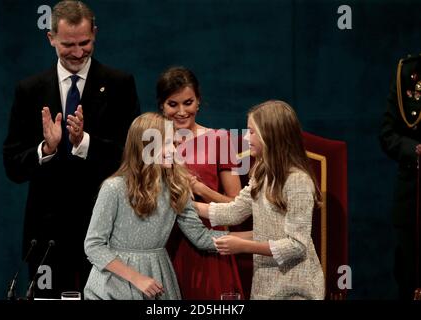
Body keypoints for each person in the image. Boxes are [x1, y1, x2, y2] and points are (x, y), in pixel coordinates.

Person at [2, 0, 140, 298]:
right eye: (68, 44)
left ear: (96, 34)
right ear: (50, 38)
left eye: (85, 43)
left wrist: (84, 143)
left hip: (106, 229)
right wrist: (45, 148)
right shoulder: (29, 90)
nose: (78, 53)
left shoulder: (120, 85)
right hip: (46, 234)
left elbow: (132, 159)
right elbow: (12, 165)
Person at [83, 112, 228, 300]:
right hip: (114, 284)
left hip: (158, 278)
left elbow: (201, 237)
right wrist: (137, 278)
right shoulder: (114, 188)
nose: (174, 151)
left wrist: (255, 238)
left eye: (174, 144)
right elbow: (94, 245)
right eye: (167, 144)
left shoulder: (175, 188)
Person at [195, 100, 325, 299]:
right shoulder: (261, 174)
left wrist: (243, 246)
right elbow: (234, 210)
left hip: (296, 287)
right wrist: (186, 206)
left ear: (270, 135)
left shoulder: (298, 180)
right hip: (265, 285)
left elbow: (297, 246)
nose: (246, 138)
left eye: (252, 132)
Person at [156, 66, 245, 299]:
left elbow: (236, 206)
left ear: (198, 102)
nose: (182, 111)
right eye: (172, 104)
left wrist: (199, 188)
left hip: (208, 242)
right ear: (161, 106)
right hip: (162, 244)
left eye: (188, 102)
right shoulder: (151, 142)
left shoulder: (221, 139)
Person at [380, 54, 421, 300]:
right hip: (415, 194)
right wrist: (414, 149)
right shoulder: (408, 73)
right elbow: (387, 135)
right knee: (410, 276)